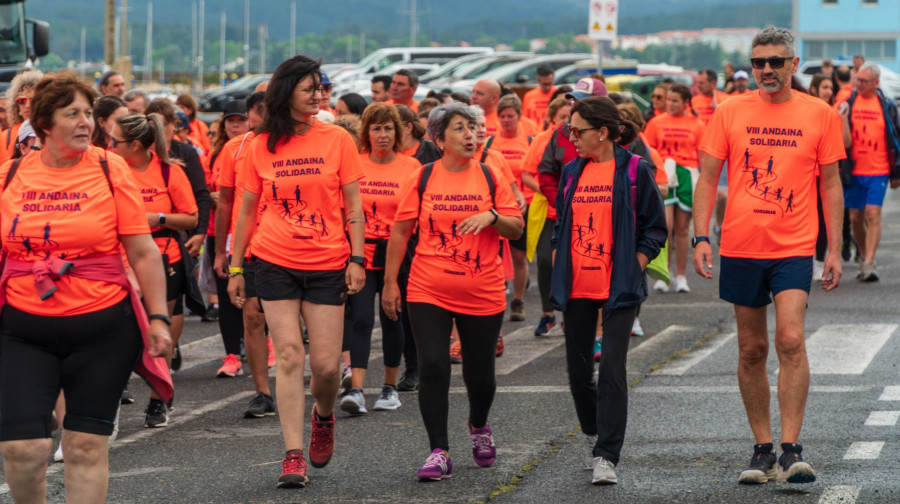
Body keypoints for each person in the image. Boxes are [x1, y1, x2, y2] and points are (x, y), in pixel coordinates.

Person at [0, 74, 171, 503]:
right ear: (43, 123)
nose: (85, 123)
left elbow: (144, 253)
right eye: (71, 114)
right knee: (22, 448)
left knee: (83, 445)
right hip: (22, 327)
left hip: (103, 327)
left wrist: (158, 317)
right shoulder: (10, 175)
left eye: (87, 114)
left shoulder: (110, 169)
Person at [692, 25, 846, 485]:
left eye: (776, 61)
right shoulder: (730, 110)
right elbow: (706, 179)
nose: (767, 70)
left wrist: (835, 249)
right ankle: (762, 449)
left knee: (791, 339)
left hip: (795, 244)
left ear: (793, 65)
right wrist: (702, 236)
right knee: (752, 347)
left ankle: (792, 449)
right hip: (741, 244)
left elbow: (832, 183)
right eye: (759, 62)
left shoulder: (820, 114)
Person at [227, 55, 365, 488]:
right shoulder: (258, 144)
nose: (319, 95)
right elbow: (246, 210)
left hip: (327, 262)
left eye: (320, 88)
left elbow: (354, 206)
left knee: (325, 369)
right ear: (286, 93)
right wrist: (235, 266)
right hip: (273, 260)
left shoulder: (337, 139)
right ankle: (291, 455)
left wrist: (357, 258)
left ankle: (322, 416)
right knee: (289, 356)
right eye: (310, 88)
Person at [381, 102, 523, 481]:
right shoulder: (423, 177)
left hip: (483, 290)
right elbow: (401, 231)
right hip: (428, 287)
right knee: (433, 365)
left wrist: (493, 216)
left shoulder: (491, 177)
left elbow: (516, 228)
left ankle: (479, 425)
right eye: (460, 129)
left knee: (479, 373)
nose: (470, 135)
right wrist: (390, 282)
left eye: (473, 128)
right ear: (439, 139)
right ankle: (439, 451)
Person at [550, 96, 666, 485]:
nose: (571, 138)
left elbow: (655, 228)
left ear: (602, 133)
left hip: (620, 287)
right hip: (577, 285)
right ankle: (593, 435)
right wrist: (558, 256)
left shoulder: (634, 170)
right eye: (569, 130)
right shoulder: (571, 171)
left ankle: (607, 456)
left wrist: (636, 264)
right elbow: (560, 222)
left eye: (577, 131)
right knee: (578, 374)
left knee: (612, 367)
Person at [112, 113, 199, 427]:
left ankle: (156, 401)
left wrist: (157, 218)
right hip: (121, 260)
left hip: (164, 257)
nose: (109, 145)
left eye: (115, 141)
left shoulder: (168, 172)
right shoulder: (110, 168)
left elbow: (191, 217)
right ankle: (109, 399)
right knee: (121, 332)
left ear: (134, 144)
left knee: (158, 328)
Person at [340, 103, 421, 415]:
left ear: (398, 132)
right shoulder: (355, 163)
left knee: (392, 317)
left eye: (388, 128)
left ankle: (389, 388)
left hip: (397, 252)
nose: (383, 134)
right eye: (376, 128)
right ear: (367, 133)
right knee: (360, 318)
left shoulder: (411, 167)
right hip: (361, 250)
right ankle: (357, 390)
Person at [213, 91, 277, 417]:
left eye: (267, 109)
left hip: (287, 243)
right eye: (257, 110)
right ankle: (262, 392)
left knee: (288, 319)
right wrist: (221, 251)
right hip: (249, 245)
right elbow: (224, 202)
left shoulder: (290, 144)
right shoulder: (233, 148)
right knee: (252, 316)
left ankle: (321, 378)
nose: (261, 116)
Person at [840, 63, 900, 281]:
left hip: (879, 169)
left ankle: (869, 262)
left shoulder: (886, 105)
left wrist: (896, 172)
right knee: (856, 217)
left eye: (863, 81)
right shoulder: (849, 103)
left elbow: (896, 138)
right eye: (857, 80)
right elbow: (843, 140)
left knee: (873, 214)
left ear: (876, 82)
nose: (858, 84)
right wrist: (843, 118)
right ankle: (863, 253)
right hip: (854, 170)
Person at [644, 83, 705, 293]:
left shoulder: (697, 124)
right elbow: (648, 153)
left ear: (685, 102)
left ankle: (681, 276)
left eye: (674, 100)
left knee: (682, 229)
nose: (669, 104)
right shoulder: (655, 122)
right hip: (664, 175)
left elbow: (702, 157)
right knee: (666, 227)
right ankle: (664, 272)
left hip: (687, 176)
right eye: (668, 100)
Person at [521, 96, 571, 336]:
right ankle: (547, 313)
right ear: (551, 118)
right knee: (544, 261)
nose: (567, 120)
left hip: (576, 212)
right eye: (562, 117)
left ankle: (568, 315)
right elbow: (527, 174)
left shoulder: (578, 137)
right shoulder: (542, 139)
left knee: (572, 264)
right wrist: (551, 192)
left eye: (570, 116)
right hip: (548, 211)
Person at [486, 94, 533, 321]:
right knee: (493, 254)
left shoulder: (528, 141)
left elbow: (532, 172)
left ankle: (518, 300)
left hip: (522, 205)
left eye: (510, 116)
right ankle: (494, 299)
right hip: (495, 208)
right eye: (502, 116)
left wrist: (522, 196)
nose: (506, 120)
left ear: (519, 116)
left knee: (518, 255)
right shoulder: (489, 143)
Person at [3, 69, 43, 160]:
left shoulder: (50, 132)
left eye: (33, 100)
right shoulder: (5, 137)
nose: (27, 105)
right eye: (22, 101)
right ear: (16, 105)